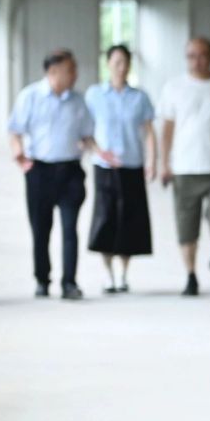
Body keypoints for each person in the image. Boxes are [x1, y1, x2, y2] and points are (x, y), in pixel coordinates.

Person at [8, 49, 104, 300]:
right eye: (70, 69)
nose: (75, 74)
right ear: (53, 72)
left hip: (70, 172)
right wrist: (19, 153)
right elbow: (15, 130)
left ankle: (69, 282)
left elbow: (87, 136)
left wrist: (101, 153)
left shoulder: (78, 102)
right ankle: (42, 279)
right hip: (39, 171)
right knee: (41, 229)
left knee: (70, 229)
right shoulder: (30, 97)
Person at [158, 36, 210, 297]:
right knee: (186, 225)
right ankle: (191, 275)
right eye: (192, 55)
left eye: (202, 55)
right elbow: (167, 128)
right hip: (184, 168)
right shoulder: (173, 87)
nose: (197, 60)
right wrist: (164, 163)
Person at [85, 44, 157, 293]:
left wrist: (152, 161)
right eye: (116, 62)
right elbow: (85, 130)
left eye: (125, 62)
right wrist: (98, 151)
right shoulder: (95, 95)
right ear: (108, 64)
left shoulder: (140, 97)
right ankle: (107, 274)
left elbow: (149, 132)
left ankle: (123, 274)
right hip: (105, 166)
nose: (121, 67)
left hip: (131, 164)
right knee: (105, 218)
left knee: (130, 219)